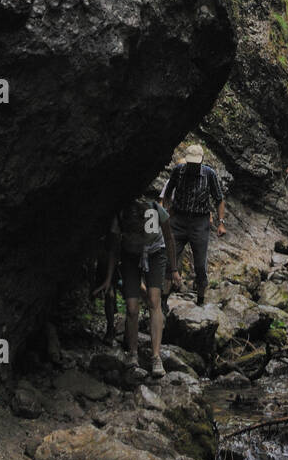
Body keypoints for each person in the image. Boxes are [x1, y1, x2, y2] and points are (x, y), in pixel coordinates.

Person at [95, 197, 179, 378]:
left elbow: (169, 238)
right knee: (132, 308)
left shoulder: (153, 212)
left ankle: (156, 357)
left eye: (136, 228)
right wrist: (108, 278)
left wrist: (174, 270)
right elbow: (114, 249)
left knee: (154, 301)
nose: (134, 231)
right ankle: (133, 354)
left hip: (155, 253)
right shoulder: (121, 216)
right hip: (130, 257)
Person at [162, 144, 224, 306]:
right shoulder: (178, 171)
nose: (193, 166)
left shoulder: (209, 174)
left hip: (200, 222)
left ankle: (200, 300)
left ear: (201, 161)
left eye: (195, 163)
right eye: (190, 163)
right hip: (179, 219)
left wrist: (221, 223)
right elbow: (167, 193)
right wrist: (167, 212)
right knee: (170, 259)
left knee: (200, 264)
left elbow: (219, 198)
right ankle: (163, 301)